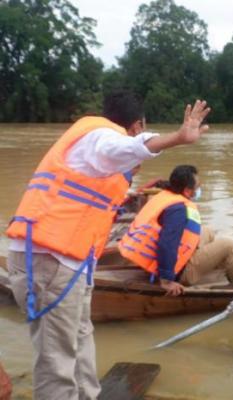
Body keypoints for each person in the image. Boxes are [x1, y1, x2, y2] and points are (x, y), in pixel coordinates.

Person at [6, 90, 211, 400]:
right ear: (138, 125)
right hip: (50, 262)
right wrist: (177, 138)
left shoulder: (93, 145)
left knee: (81, 340)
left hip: (69, 264)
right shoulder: (102, 136)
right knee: (56, 364)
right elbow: (126, 146)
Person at [118, 165, 233, 296]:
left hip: (151, 261)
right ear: (186, 190)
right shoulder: (179, 209)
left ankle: (213, 265)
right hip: (177, 272)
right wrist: (167, 281)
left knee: (208, 232)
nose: (198, 189)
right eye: (197, 187)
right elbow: (167, 244)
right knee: (229, 246)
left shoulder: (164, 195)